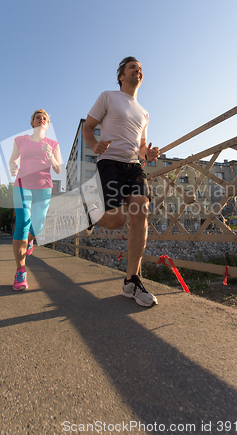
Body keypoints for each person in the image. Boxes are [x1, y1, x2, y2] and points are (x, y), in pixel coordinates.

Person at [83, 57, 159, 307]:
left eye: (140, 68)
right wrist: (95, 145)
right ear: (121, 76)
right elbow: (89, 126)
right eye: (132, 67)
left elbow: (141, 147)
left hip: (133, 167)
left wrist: (148, 154)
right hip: (110, 163)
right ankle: (91, 213)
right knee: (117, 220)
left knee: (141, 211)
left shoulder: (145, 112)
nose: (138, 70)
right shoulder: (108, 97)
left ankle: (132, 280)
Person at [9, 109, 61, 291]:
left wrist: (51, 157)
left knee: (36, 227)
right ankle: (20, 272)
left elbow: (58, 169)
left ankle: (30, 239)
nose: (41, 120)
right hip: (22, 185)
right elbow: (12, 160)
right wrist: (13, 167)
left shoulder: (53, 144)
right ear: (32, 123)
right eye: (37, 118)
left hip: (43, 187)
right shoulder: (21, 140)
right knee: (22, 223)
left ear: (47, 125)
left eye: (44, 118)